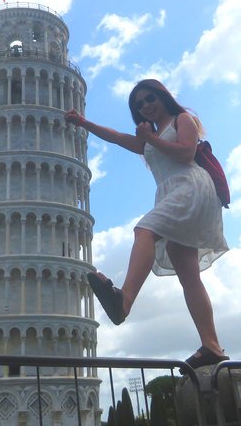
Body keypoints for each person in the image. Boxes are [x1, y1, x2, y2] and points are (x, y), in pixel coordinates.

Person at [64, 79, 230, 368]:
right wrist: (83, 122)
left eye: (149, 98)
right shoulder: (148, 136)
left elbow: (187, 152)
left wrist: (150, 139)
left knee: (144, 230)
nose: (145, 106)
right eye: (138, 105)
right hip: (172, 189)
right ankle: (212, 346)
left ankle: (124, 299)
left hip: (190, 185)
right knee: (188, 275)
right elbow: (116, 137)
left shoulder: (182, 119)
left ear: (163, 96)